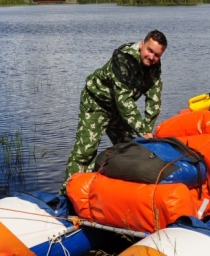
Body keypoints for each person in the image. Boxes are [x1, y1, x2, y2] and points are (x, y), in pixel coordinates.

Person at [61, 30, 167, 194]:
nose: (151, 57)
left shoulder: (154, 67)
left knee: (129, 148)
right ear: (142, 44)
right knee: (85, 152)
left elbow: (154, 99)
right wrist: (143, 130)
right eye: (149, 50)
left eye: (157, 55)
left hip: (119, 111)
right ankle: (66, 197)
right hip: (97, 104)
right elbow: (123, 99)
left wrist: (148, 132)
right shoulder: (123, 58)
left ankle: (116, 194)